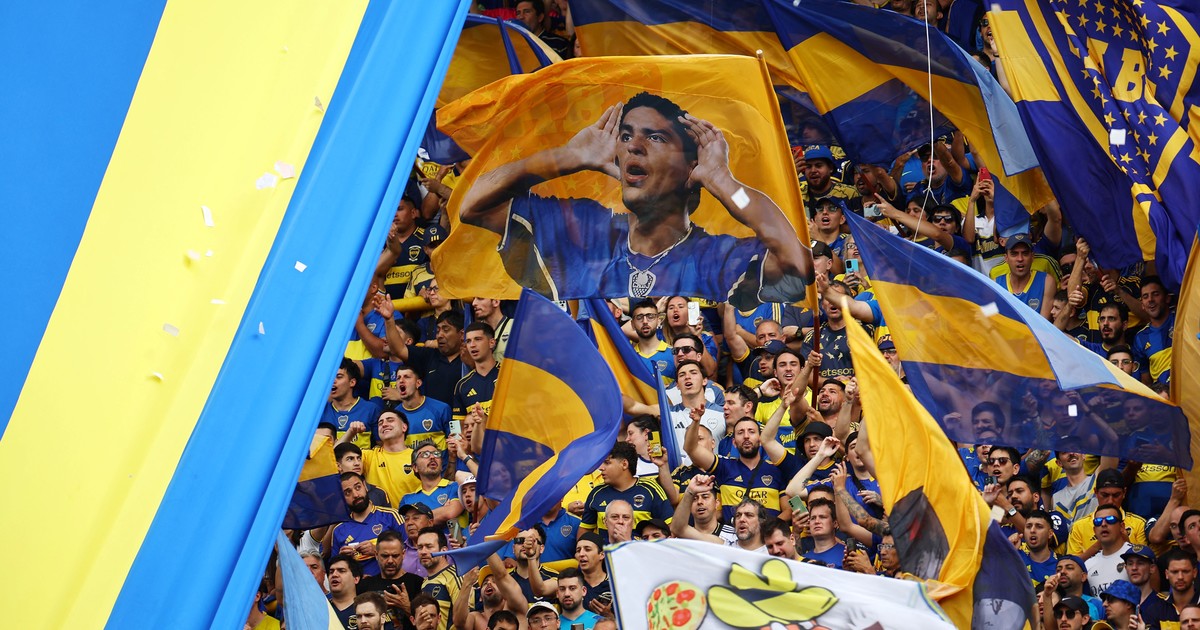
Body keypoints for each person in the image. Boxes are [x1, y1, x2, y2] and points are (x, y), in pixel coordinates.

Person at [458, 92, 814, 307]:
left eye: (655, 138)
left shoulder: (716, 257)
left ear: (692, 167)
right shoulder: (582, 226)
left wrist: (723, 181)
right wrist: (565, 157)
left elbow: (798, 263)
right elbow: (473, 205)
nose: (633, 146)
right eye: (626, 135)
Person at [579, 443, 672, 543]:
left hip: (641, 552)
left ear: (624, 464)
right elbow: (584, 532)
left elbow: (670, 528)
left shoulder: (651, 489)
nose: (601, 468)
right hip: (607, 552)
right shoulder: (596, 493)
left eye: (607, 463)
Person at [381, 303, 466, 405]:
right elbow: (398, 349)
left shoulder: (471, 359)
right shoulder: (429, 355)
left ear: (462, 334)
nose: (439, 335)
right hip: (432, 415)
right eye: (437, 331)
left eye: (446, 330)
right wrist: (389, 320)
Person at [331, 472, 405, 577]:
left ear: (365, 486)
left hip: (390, 582)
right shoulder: (339, 530)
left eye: (358, 487)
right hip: (357, 586)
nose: (355, 495)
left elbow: (410, 552)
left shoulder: (391, 516)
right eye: (348, 492)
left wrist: (377, 550)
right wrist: (342, 560)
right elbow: (333, 570)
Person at [670, 474, 763, 552]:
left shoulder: (735, 536)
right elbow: (677, 529)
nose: (700, 502)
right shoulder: (680, 539)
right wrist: (690, 491)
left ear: (717, 503)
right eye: (694, 499)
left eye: (705, 497)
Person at [358, 530, 424, 630]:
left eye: (395, 556)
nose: (390, 561)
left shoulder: (418, 583)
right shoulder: (365, 585)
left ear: (403, 554)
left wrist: (407, 607)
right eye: (385, 556)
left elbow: (427, 624)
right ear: (376, 555)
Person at [391, 366, 453, 455]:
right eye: (398, 378)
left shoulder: (442, 409)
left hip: (440, 463)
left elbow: (456, 440)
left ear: (418, 383)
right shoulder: (395, 415)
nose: (401, 380)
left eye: (406, 377)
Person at [324, 358, 384, 449]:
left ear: (352, 382)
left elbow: (383, 446)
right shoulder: (321, 411)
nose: (333, 380)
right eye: (330, 377)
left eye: (339, 377)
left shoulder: (371, 409)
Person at [401, 440, 463, 526]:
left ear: (441, 465)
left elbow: (450, 512)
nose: (432, 457)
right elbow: (406, 527)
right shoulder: (407, 499)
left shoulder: (456, 486)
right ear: (415, 467)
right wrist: (442, 510)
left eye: (436, 454)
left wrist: (417, 520)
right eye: (425, 454)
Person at [995, 234, 1055, 319]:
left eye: (1025, 253)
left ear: (1032, 256)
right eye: (1014, 254)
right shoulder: (996, 284)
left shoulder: (1046, 281)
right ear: (1006, 258)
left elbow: (1044, 324)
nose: (1020, 259)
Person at [1120, 545, 1177, 630]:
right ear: (1126, 568)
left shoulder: (1164, 604)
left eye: (1140, 563)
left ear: (1152, 568)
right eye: (1130, 564)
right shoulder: (1118, 604)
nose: (1134, 568)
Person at [417, 528, 462, 630]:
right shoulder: (425, 582)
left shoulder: (455, 575)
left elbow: (465, 618)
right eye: (420, 547)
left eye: (429, 547)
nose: (423, 552)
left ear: (443, 550)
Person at [1084, 504, 1133, 596]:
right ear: (1094, 530)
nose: (1103, 524)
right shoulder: (1088, 564)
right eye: (1098, 521)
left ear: (1122, 527)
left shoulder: (1136, 556)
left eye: (1110, 520)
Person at [1135, 276, 1175, 385]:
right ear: (1142, 305)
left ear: (1167, 298)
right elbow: (1146, 381)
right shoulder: (1140, 338)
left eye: (1155, 294)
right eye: (1145, 296)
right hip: (1163, 393)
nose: (1150, 300)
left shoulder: (1181, 320)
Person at [335, 442, 392, 508]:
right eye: (350, 459)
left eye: (359, 458)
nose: (357, 463)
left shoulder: (379, 493)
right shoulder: (331, 496)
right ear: (338, 466)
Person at [1019, 510, 1059, 591]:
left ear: (1050, 533)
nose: (1032, 530)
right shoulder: (1015, 558)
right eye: (1028, 526)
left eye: (1039, 526)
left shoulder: (1059, 566)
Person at [574, 533, 613, 612]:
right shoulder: (571, 582)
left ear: (602, 555)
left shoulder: (615, 585)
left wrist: (609, 616)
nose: (581, 554)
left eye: (587, 549)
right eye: (578, 550)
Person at [802, 498, 845, 568]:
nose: (816, 521)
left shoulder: (847, 555)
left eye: (822, 517)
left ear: (835, 523)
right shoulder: (803, 560)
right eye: (813, 518)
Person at [327, 555, 363, 630]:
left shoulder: (368, 608)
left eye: (341, 571)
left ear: (356, 579)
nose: (334, 575)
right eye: (331, 572)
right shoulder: (321, 608)